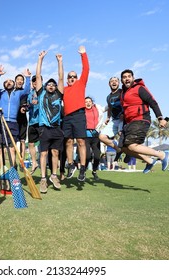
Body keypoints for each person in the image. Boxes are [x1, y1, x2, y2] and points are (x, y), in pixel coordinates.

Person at [119, 69, 169, 173]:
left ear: (133, 78)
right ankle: (149, 161)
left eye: (129, 76)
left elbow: (152, 102)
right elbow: (126, 111)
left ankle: (162, 155)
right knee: (123, 148)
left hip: (141, 119)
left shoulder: (139, 88)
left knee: (132, 145)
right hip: (129, 123)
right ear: (122, 80)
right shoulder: (123, 94)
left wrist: (160, 118)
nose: (127, 78)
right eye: (124, 77)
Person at [35, 50, 64, 193]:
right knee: (43, 153)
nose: (52, 86)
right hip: (44, 128)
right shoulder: (41, 94)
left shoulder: (59, 94)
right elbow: (39, 76)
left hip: (57, 128)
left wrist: (60, 62)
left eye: (53, 85)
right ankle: (43, 179)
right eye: (49, 84)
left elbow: (60, 78)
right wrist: (40, 59)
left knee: (55, 153)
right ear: (45, 86)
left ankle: (54, 175)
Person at [0, 65, 31, 169]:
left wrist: (27, 77)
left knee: (12, 148)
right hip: (1, 122)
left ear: (14, 84)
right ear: (4, 85)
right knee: (1, 148)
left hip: (13, 123)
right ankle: (2, 170)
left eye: (10, 81)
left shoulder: (18, 93)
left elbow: (27, 90)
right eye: (6, 81)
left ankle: (12, 170)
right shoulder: (0, 93)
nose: (8, 82)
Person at [63, 46, 89, 182]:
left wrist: (83, 55)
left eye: (74, 76)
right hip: (67, 117)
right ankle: (71, 164)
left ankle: (83, 168)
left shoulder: (81, 84)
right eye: (70, 77)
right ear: (67, 79)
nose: (72, 78)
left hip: (79, 115)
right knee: (68, 141)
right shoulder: (64, 88)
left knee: (80, 141)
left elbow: (86, 69)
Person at [99, 77, 123, 159]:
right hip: (114, 120)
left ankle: (127, 151)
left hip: (123, 119)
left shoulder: (122, 92)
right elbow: (110, 107)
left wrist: (124, 113)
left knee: (121, 133)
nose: (114, 82)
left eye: (116, 81)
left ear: (119, 83)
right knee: (101, 136)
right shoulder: (108, 97)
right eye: (112, 81)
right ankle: (118, 150)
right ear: (109, 84)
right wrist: (108, 117)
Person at [84, 96, 105, 180]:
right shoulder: (82, 111)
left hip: (95, 135)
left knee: (97, 156)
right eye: (86, 102)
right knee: (87, 156)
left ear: (92, 103)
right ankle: (84, 171)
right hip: (85, 136)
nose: (88, 103)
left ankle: (94, 171)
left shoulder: (97, 109)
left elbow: (106, 109)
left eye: (89, 101)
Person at [27, 75, 41, 174]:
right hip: (32, 122)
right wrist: (27, 106)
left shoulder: (44, 92)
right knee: (31, 144)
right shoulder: (30, 93)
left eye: (37, 81)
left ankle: (44, 162)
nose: (35, 83)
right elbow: (28, 105)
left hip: (42, 122)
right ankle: (34, 162)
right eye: (34, 81)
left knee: (44, 144)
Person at [16, 74, 29, 171]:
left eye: (22, 80)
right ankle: (13, 161)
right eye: (18, 79)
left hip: (23, 119)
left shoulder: (25, 92)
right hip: (13, 119)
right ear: (15, 81)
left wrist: (25, 108)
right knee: (12, 141)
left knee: (22, 140)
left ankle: (22, 161)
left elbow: (28, 104)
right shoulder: (12, 92)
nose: (20, 81)